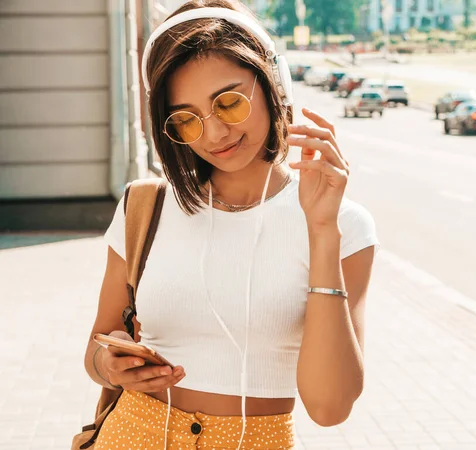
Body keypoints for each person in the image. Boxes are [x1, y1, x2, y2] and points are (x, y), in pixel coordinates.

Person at [84, 1, 379, 449]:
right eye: (185, 118)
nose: (215, 133)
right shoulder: (144, 207)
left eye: (229, 102)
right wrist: (109, 365)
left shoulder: (344, 225)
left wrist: (321, 232)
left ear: (273, 84)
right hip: (131, 435)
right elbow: (96, 348)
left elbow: (330, 407)